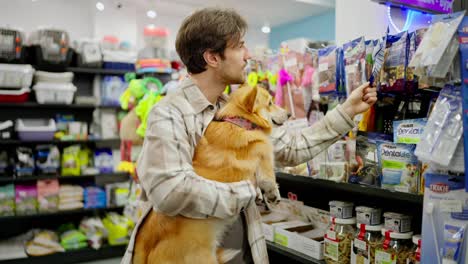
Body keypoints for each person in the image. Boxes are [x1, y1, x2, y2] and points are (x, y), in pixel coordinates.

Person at [121, 8, 377, 264]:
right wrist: (247, 191)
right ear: (212, 57)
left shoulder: (236, 110)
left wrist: (347, 111)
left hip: (241, 252)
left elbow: (292, 148)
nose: (248, 55)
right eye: (240, 46)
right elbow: (170, 191)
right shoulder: (169, 113)